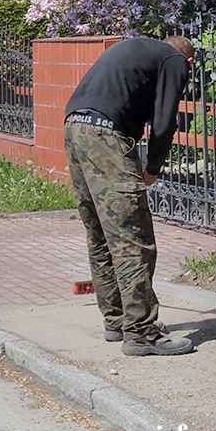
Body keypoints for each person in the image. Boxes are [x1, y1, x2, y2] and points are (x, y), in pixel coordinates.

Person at [63, 36, 196, 357]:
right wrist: (153, 167)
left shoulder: (137, 48)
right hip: (106, 134)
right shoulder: (175, 60)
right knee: (131, 235)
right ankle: (141, 332)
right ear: (189, 61)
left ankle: (117, 319)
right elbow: (164, 123)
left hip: (73, 126)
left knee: (100, 233)